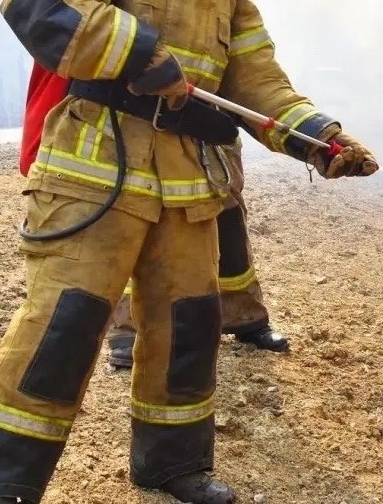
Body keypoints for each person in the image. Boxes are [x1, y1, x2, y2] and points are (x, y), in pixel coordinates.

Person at [0, 0, 378, 504]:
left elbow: (260, 86)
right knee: (65, 328)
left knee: (187, 329)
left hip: (187, 185)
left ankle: (173, 464)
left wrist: (320, 138)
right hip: (95, 175)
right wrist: (137, 53)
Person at [107, 136, 288, 368]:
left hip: (208, 133)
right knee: (138, 220)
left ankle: (245, 317)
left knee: (228, 225)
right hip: (139, 131)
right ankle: (129, 329)